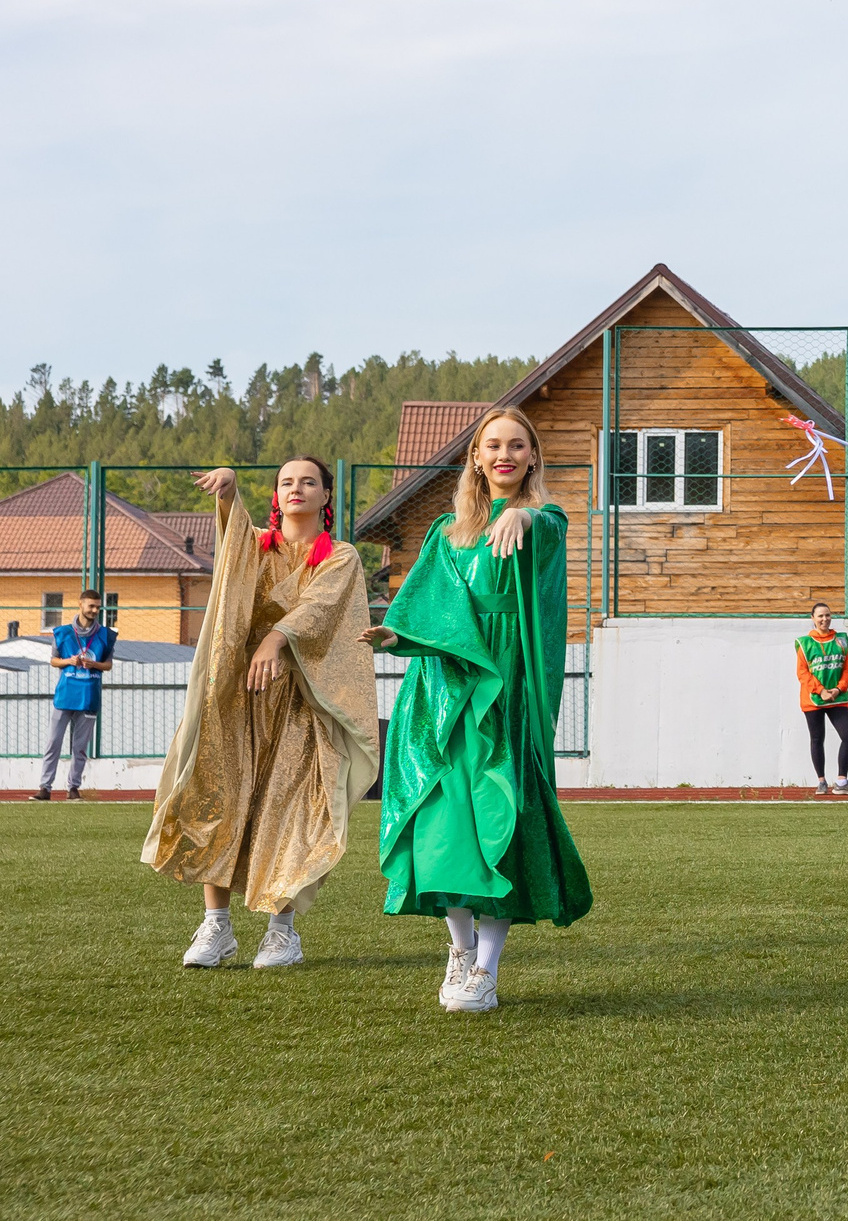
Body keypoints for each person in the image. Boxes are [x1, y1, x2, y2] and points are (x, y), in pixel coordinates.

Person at [370, 405, 593, 1013]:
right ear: (475, 456)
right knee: (447, 826)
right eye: (493, 444)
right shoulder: (446, 532)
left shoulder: (545, 520)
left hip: (506, 690)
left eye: (517, 445)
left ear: (532, 457)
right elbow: (424, 607)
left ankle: (488, 969)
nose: (504, 455)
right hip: (445, 691)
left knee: (502, 819)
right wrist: (395, 637)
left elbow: (546, 540)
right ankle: (460, 953)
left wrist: (522, 515)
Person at [142, 459, 379, 970]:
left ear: (326, 495)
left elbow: (318, 609)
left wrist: (275, 639)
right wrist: (227, 495)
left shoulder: (341, 557)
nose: (297, 488)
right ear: (275, 493)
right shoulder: (254, 545)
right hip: (237, 698)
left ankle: (281, 932)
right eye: (286, 481)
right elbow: (232, 555)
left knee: (290, 809)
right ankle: (216, 926)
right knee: (218, 793)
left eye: (308, 481)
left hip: (300, 702)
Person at [33, 589, 114, 800]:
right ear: (80, 605)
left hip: (89, 697)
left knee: (80, 747)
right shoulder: (63, 633)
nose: (95, 610)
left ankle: (73, 787)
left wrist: (94, 664)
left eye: (98, 607)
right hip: (65, 696)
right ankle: (45, 787)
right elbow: (53, 660)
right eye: (91, 606)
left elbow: (108, 664)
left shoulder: (105, 635)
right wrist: (69, 661)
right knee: (53, 743)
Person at [798, 603, 848, 793]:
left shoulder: (841, 640)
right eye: (820, 616)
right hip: (813, 699)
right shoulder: (804, 643)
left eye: (827, 615)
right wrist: (821, 690)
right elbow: (802, 673)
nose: (824, 619)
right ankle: (821, 781)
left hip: (837, 698)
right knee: (817, 738)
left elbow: (847, 669)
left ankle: (841, 782)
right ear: (813, 618)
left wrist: (837, 689)